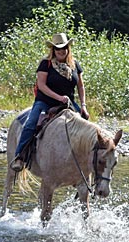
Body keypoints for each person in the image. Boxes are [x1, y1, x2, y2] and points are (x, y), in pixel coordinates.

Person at [10, 32, 90, 172]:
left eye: (64, 48)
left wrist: (83, 105)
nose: (61, 51)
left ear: (68, 49)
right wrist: (59, 97)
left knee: (87, 125)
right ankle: (20, 156)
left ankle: (87, 163)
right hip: (45, 101)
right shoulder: (45, 64)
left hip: (68, 102)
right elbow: (42, 85)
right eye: (58, 48)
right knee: (31, 123)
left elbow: (81, 86)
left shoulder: (75, 65)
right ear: (53, 50)